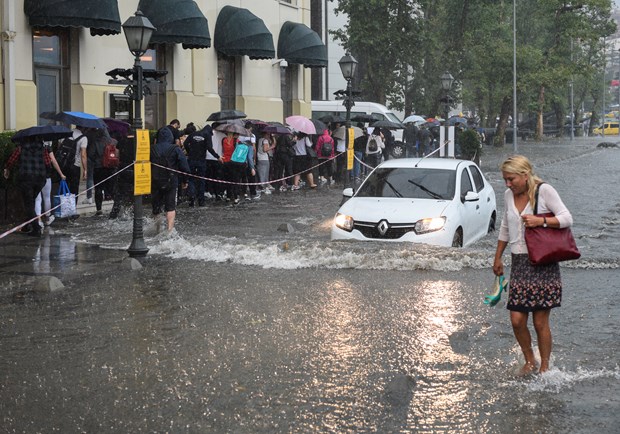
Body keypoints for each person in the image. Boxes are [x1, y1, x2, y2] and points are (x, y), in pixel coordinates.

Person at [493, 155, 573, 376]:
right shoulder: (509, 195)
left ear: (524, 175)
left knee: (539, 321)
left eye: (511, 179)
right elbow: (505, 226)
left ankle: (545, 366)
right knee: (517, 319)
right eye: (505, 180)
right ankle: (530, 361)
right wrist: (498, 256)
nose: (508, 184)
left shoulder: (544, 190)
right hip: (519, 263)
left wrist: (542, 221)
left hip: (542, 262)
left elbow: (567, 218)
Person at [3, 138, 52, 236]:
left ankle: (36, 228)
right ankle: (26, 226)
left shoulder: (21, 148)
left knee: (29, 203)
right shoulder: (43, 148)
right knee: (31, 202)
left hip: (26, 179)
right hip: (40, 179)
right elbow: (48, 163)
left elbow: (11, 160)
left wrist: (7, 168)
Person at [151, 127, 190, 232]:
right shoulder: (175, 148)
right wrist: (185, 181)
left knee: (156, 207)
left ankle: (157, 229)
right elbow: (185, 167)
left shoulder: (151, 148)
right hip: (171, 181)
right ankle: (169, 230)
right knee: (170, 206)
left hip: (154, 181)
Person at [184, 124, 222, 207]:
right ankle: (201, 201)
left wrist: (189, 152)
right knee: (201, 180)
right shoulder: (207, 135)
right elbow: (209, 148)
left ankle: (192, 197)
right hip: (201, 161)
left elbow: (185, 143)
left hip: (191, 160)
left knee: (191, 179)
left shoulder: (193, 134)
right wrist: (217, 157)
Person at [35, 140, 65, 228]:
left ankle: (39, 220)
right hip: (46, 175)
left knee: (37, 198)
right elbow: (54, 161)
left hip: (35, 175)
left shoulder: (31, 147)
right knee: (47, 197)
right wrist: (61, 173)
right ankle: (48, 218)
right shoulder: (47, 147)